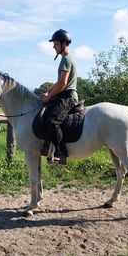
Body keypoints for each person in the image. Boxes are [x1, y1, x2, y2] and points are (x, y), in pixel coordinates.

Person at [41, 29, 78, 164]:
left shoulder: (66, 59)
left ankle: (60, 153)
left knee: (51, 121)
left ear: (63, 44)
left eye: (56, 44)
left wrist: (49, 97)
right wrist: (48, 92)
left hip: (68, 97)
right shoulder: (66, 59)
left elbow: (63, 83)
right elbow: (59, 82)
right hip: (64, 95)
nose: (53, 46)